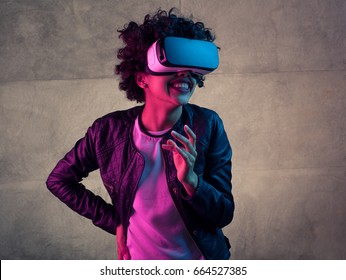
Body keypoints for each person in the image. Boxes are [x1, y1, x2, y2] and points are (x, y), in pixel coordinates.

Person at [46, 8, 234, 260]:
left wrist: (192, 182)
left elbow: (223, 214)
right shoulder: (107, 131)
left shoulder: (207, 124)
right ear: (142, 78)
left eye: (190, 68)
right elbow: (59, 180)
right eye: (172, 64)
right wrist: (117, 223)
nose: (184, 74)